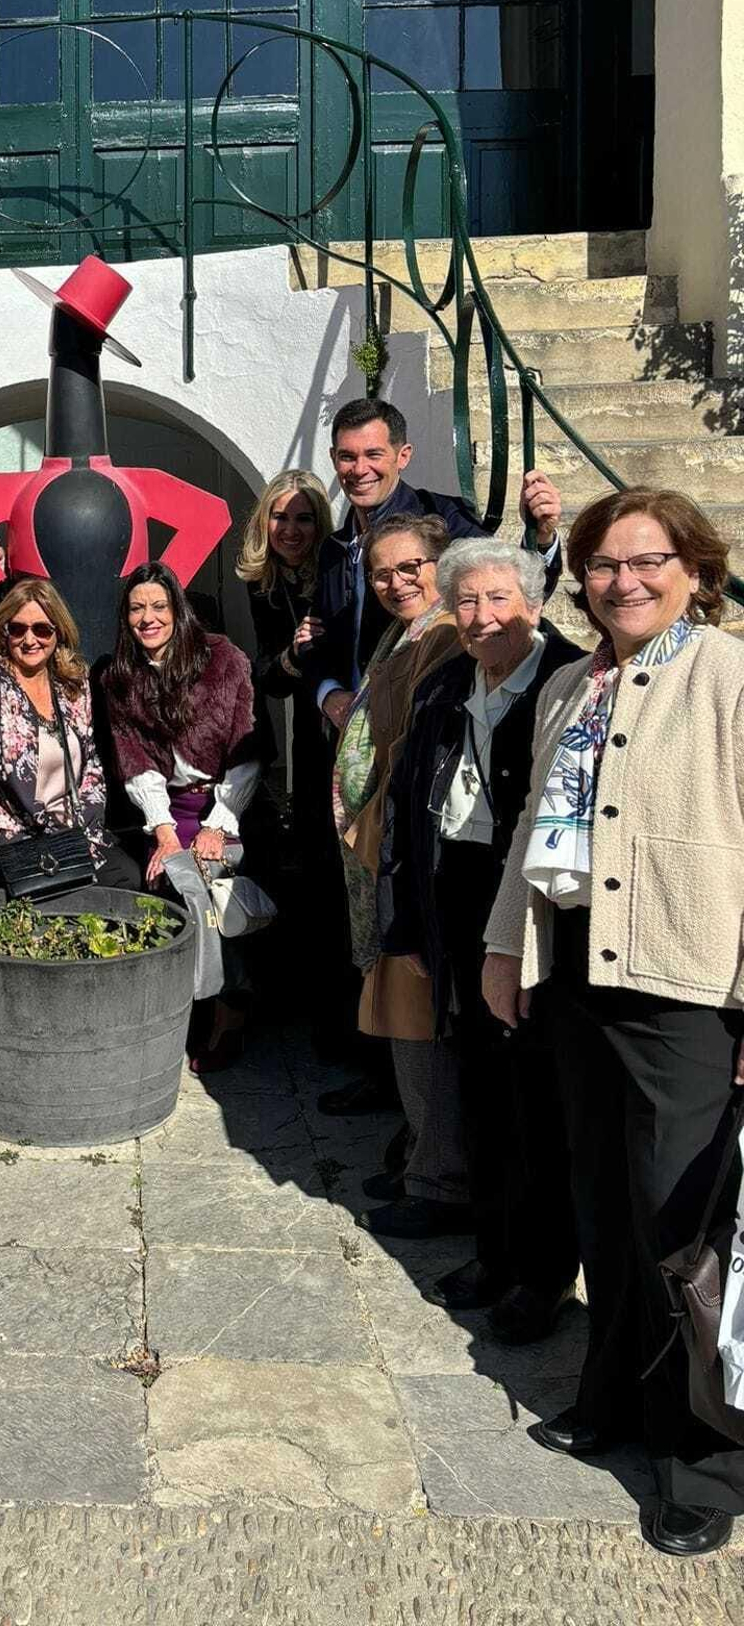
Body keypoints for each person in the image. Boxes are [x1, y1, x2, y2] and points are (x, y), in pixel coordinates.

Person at [483, 486, 744, 1558]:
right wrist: (506, 945)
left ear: (693, 569)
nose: (622, 581)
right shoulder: (568, 686)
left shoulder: (727, 675)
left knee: (679, 1230)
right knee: (600, 1205)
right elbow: (531, 833)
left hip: (685, 982)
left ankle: (704, 1461)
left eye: (647, 562)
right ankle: (614, 1401)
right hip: (580, 973)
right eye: (600, 564)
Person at [376, 538, 579, 1342]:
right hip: (457, 897)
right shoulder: (447, 683)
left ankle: (542, 1272)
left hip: (531, 908)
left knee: (538, 1098)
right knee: (483, 1089)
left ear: (533, 602)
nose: (483, 616)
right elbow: (407, 801)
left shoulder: (566, 682)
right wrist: (410, 919)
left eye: (499, 598)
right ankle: (496, 1250)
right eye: (466, 600)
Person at [329, 515, 467, 1237]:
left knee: (418, 1019)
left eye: (411, 566)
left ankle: (440, 1180)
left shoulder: (443, 637)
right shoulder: (401, 633)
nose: (397, 581)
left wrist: (369, 823)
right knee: (401, 1016)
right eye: (383, 571)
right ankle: (424, 1155)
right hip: (380, 849)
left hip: (406, 854)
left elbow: (417, 755)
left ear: (439, 565)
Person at [306, 396, 563, 732]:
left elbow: (511, 583)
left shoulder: (443, 519)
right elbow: (315, 633)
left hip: (424, 722)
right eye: (347, 457)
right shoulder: (332, 549)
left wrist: (541, 538)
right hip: (350, 740)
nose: (359, 469)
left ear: (403, 456)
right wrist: (329, 695)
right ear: (333, 459)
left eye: (373, 454)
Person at [104, 563, 263, 1071]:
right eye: (136, 609)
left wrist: (218, 824)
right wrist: (166, 834)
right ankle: (211, 1001)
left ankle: (225, 1007)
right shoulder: (121, 677)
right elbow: (136, 763)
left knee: (207, 888)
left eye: (158, 607)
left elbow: (249, 753)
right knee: (181, 882)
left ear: (176, 611)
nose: (147, 619)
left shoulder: (224, 660)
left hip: (226, 804)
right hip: (166, 812)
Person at [236, 470, 353, 1057]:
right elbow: (269, 677)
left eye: (303, 517)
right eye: (280, 517)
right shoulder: (265, 586)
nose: (291, 528)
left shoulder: (341, 565)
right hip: (311, 731)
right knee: (316, 860)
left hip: (354, 718)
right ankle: (327, 1011)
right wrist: (290, 652)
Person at [0, 580, 132, 899]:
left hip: (74, 836)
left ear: (59, 632)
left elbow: (93, 768)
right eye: (18, 629)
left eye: (42, 629)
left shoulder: (73, 686)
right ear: (4, 633)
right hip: (15, 843)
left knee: (127, 880)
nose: (30, 640)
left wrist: (83, 831)